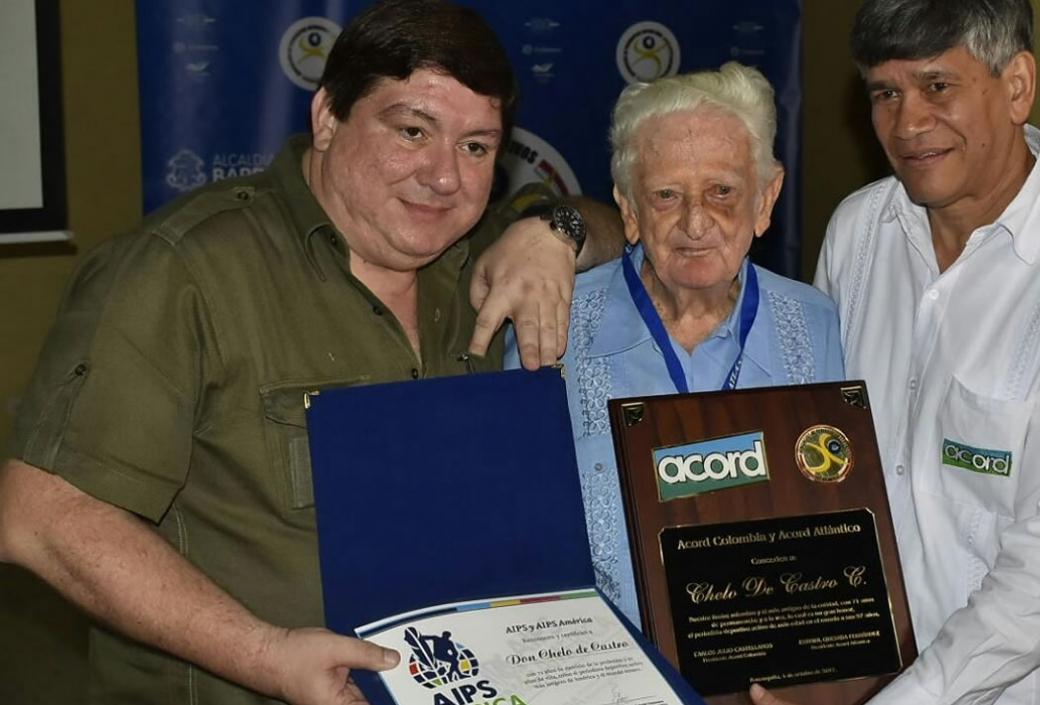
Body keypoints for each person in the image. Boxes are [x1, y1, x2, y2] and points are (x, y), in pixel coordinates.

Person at [0, 2, 615, 704]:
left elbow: (620, 233)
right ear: (327, 117)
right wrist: (266, 654)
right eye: (413, 130)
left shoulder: (475, 257)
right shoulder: (182, 271)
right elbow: (42, 517)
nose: (444, 177)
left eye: (475, 147)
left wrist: (553, 229)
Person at [752, 1, 1040, 704]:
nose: (907, 123)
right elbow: (817, 463)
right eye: (885, 93)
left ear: (1016, 86)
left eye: (938, 86)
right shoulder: (859, 232)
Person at [507, 62, 845, 625]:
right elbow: (518, 531)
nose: (695, 222)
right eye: (666, 195)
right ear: (630, 210)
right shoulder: (552, 325)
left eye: (722, 192)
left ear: (766, 199)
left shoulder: (814, 324)